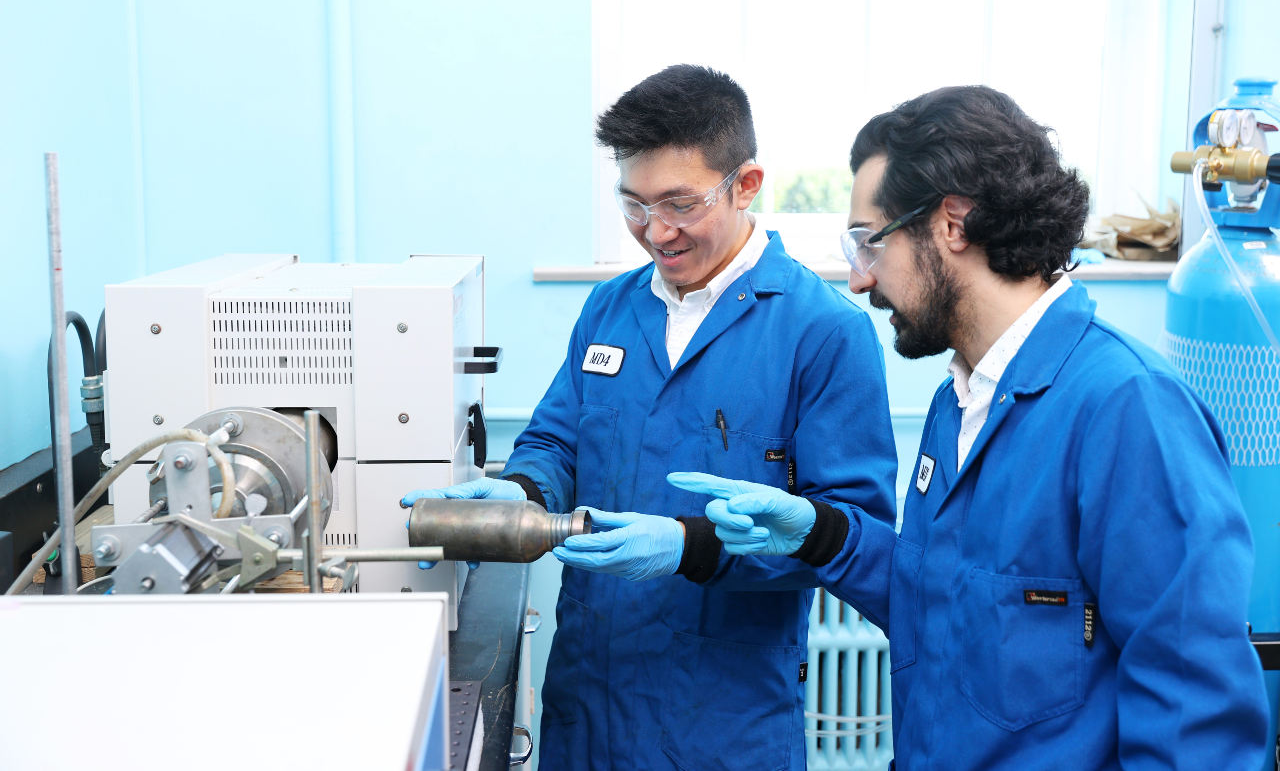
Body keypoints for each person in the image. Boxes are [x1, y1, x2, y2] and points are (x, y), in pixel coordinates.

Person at [673, 86, 1270, 770]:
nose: (861, 282)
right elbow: (950, 605)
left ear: (951, 223)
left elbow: (1196, 727)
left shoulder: (1127, 411)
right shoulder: (958, 403)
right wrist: (822, 534)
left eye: (870, 242)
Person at [400, 64, 897, 771]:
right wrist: (521, 493)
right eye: (633, 204)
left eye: (680, 204)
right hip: (587, 709)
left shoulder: (823, 334)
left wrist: (690, 545)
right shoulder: (611, 307)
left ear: (747, 184)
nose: (655, 231)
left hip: (723, 725)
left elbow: (849, 533)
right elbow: (556, 440)